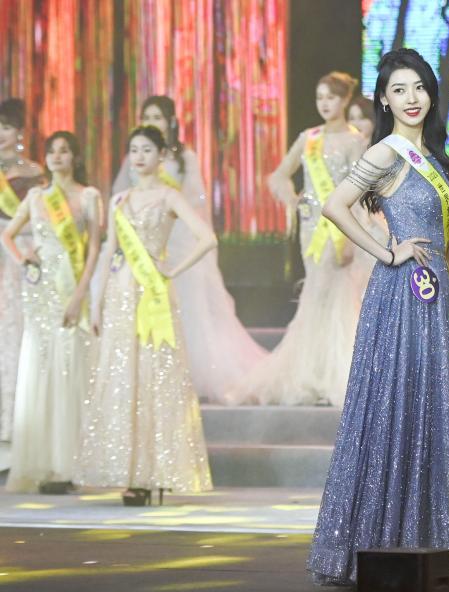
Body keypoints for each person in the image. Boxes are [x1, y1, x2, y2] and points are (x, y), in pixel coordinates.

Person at [307, 48, 449, 592]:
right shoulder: (386, 153)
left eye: (419, 87)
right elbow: (335, 205)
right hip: (401, 299)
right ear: (383, 99)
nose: (411, 98)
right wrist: (386, 251)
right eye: (399, 89)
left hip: (441, 302)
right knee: (401, 410)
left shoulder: (441, 162)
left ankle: (440, 541)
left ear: (431, 93)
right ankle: (390, 544)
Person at [74, 126, 215, 506]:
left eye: (147, 149)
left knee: (156, 378)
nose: (138, 156)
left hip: (154, 296)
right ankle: (131, 473)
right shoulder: (119, 200)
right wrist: (97, 303)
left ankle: (155, 472)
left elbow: (207, 238)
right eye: (133, 149)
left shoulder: (170, 195)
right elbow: (108, 253)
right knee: (125, 380)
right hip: (120, 295)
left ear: (161, 155)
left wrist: (172, 269)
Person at [227, 72, 370, 408]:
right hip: (311, 229)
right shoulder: (309, 138)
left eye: (331, 97)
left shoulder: (354, 141)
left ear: (344, 100)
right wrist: (294, 201)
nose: (324, 104)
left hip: (339, 229)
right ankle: (309, 373)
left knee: (338, 298)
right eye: (320, 97)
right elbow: (278, 175)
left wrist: (352, 237)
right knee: (315, 295)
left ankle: (335, 374)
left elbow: (359, 192)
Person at [111, 96, 266, 402]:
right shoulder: (136, 156)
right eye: (147, 117)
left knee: (186, 308)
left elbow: (197, 200)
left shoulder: (185, 157)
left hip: (178, 238)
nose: (152, 122)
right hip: (141, 243)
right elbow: (120, 196)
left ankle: (188, 374)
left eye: (157, 117)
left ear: (170, 121)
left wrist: (165, 199)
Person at [1, 132, 101, 493]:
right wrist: (23, 259)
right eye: (52, 152)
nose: (57, 157)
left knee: (69, 372)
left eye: (64, 151)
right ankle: (41, 463)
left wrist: (80, 294)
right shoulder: (36, 197)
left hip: (71, 290)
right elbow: (7, 235)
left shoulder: (89, 197)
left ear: (75, 157)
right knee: (40, 371)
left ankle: (69, 465)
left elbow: (93, 250)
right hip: (41, 292)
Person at [0, 98, 44, 465]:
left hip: (21, 260)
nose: (0, 134)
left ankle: (18, 434)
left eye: (6, 127)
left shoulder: (35, 172)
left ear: (19, 132)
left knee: (20, 337)